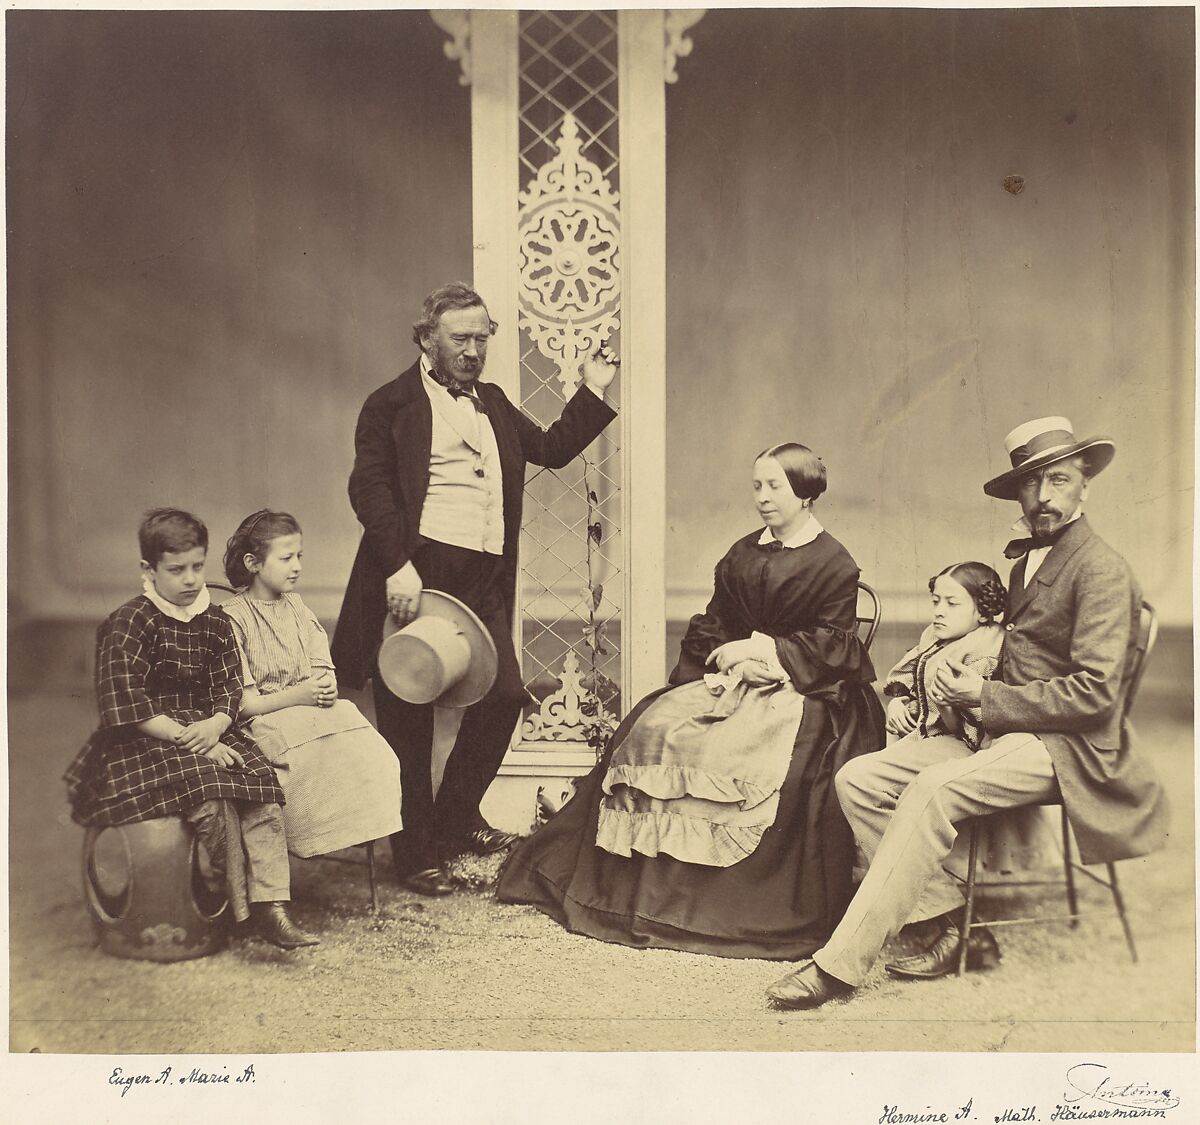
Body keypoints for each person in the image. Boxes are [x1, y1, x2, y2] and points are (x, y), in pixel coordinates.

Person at [765, 416, 1168, 1008]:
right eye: (1032, 484)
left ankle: (839, 966)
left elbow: (1096, 695)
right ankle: (954, 927)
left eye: (1059, 480)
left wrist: (986, 698)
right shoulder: (1025, 562)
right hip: (1000, 730)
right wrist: (957, 690)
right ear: (1019, 492)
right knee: (858, 778)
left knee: (931, 790)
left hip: (1068, 745)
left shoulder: (1101, 568)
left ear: (1086, 484)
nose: (1045, 496)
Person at [496, 443, 886, 960]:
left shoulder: (834, 561)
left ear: (806, 494)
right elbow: (714, 622)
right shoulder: (743, 552)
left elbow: (834, 643)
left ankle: (723, 902)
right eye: (757, 486)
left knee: (740, 753)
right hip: (732, 675)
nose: (763, 498)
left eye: (775, 487)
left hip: (802, 687)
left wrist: (762, 651)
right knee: (656, 727)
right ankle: (647, 889)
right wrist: (705, 670)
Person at [331, 282, 619, 897]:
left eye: (481, 337)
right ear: (427, 337)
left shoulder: (490, 400)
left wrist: (592, 386)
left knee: (502, 697)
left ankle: (455, 820)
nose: (471, 350)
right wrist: (396, 566)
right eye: (459, 338)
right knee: (407, 713)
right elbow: (370, 490)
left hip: (483, 576)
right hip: (420, 569)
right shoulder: (390, 404)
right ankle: (413, 854)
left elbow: (552, 449)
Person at [64, 508, 319, 949]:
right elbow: (124, 703)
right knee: (212, 791)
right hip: (144, 738)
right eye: (176, 570)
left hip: (209, 729)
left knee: (260, 784)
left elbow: (229, 690)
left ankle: (273, 906)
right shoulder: (129, 623)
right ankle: (242, 907)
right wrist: (197, 741)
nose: (190, 579)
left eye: (197, 566)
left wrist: (217, 725)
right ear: (149, 569)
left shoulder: (216, 621)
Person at [220, 510, 403, 860]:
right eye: (286, 558)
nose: (297, 566)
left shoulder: (299, 609)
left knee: (373, 753)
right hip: (264, 722)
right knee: (305, 763)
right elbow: (245, 705)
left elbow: (322, 671)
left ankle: (352, 827)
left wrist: (326, 687)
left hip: (312, 712)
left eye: (299, 556)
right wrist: (301, 694)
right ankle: (306, 838)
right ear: (253, 563)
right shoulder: (232, 619)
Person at [883, 561, 1007, 753]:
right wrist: (898, 703)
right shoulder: (935, 633)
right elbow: (916, 688)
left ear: (983, 611)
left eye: (952, 603)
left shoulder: (985, 646)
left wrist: (944, 706)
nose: (939, 611)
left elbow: (971, 735)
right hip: (920, 734)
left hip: (958, 747)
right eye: (936, 601)